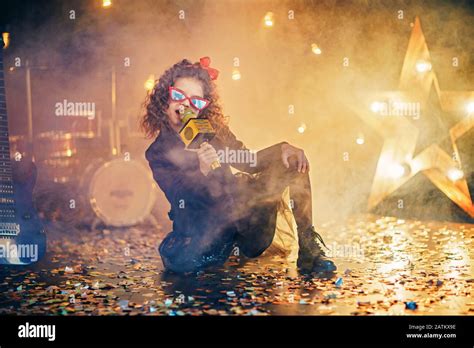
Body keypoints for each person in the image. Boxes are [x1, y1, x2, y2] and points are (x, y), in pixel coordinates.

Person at [142, 57, 336, 275]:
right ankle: (228, 253)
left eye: (196, 101)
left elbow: (248, 162)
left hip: (246, 221)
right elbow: (180, 196)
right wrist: (201, 172)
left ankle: (310, 251)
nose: (186, 104)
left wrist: (282, 148)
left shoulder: (215, 130)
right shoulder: (157, 153)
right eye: (179, 96)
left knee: (292, 162)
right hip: (205, 236)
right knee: (190, 269)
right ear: (164, 98)